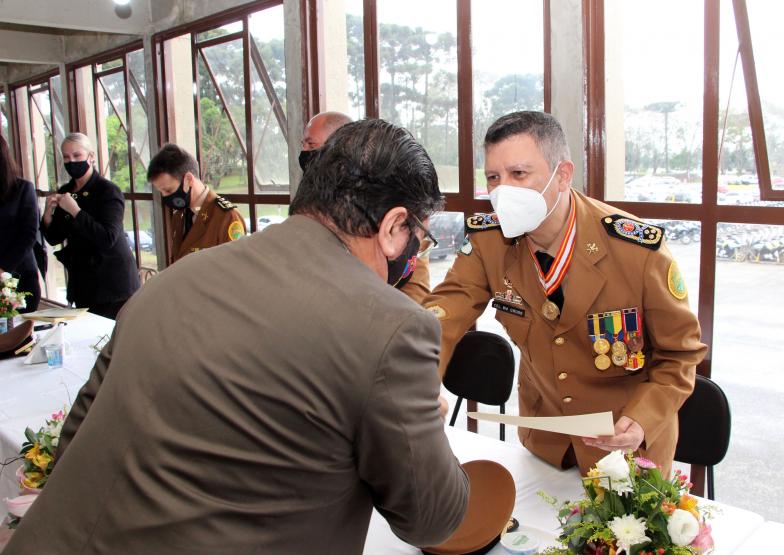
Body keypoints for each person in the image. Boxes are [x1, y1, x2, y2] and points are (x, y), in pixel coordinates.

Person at [4, 119, 468, 553]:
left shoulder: (174, 279)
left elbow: (78, 431)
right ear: (393, 227)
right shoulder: (389, 326)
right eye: (419, 238)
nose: (416, 252)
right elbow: (431, 516)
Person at [423, 111, 707, 475]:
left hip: (626, 451)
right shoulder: (490, 242)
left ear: (562, 175)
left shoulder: (635, 250)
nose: (502, 190)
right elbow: (441, 316)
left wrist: (642, 418)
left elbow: (680, 355)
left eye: (519, 174)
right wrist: (420, 381)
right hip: (546, 444)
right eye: (493, 177)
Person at [300, 110, 432, 303]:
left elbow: (414, 279)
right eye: (303, 144)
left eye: (311, 145)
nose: (305, 152)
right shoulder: (308, 205)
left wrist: (408, 325)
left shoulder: (388, 197)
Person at [40, 133, 139, 319]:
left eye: (77, 156)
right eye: (67, 157)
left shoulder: (108, 191)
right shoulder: (66, 191)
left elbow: (108, 237)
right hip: (83, 282)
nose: (72, 162)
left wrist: (76, 211)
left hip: (113, 283)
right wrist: (47, 214)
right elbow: (54, 237)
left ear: (90, 156)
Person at [148, 143, 247, 265]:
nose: (165, 197)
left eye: (168, 190)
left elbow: (236, 270)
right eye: (161, 192)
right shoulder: (179, 216)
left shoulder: (227, 218)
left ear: (188, 180)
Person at [0, 135, 40, 313]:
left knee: (19, 334)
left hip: (19, 273)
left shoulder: (23, 188)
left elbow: (29, 234)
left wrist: (3, 268)